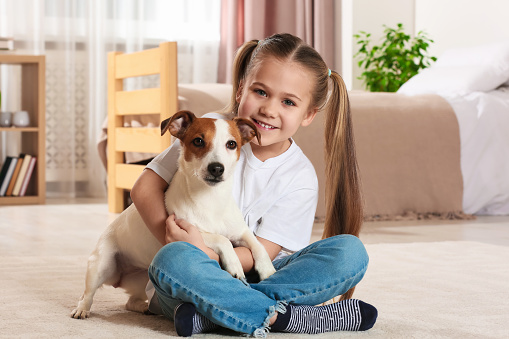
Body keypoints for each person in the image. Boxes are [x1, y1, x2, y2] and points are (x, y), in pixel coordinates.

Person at [130, 33, 377, 337]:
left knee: (350, 252)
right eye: (260, 92)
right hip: (191, 280)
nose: (269, 110)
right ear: (240, 90)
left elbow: (265, 256)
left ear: (309, 114)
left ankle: (217, 315)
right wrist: (181, 245)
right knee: (172, 261)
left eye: (288, 101)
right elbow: (143, 189)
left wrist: (211, 255)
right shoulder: (208, 130)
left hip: (257, 274)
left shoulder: (299, 175)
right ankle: (288, 318)